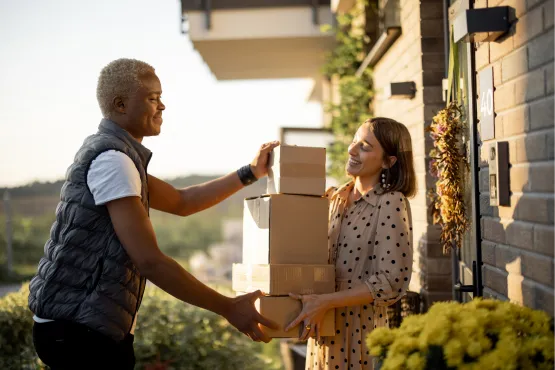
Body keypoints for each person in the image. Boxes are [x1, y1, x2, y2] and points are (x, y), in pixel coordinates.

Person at [27, 58, 279, 370]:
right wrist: (228, 307)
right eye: (152, 98)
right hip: (78, 330)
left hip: (80, 325)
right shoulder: (113, 160)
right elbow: (150, 261)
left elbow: (183, 202)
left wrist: (250, 172)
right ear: (120, 104)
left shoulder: (118, 155)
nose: (162, 107)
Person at [286, 117, 416, 370]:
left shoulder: (390, 202)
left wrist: (327, 302)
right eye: (354, 142)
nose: (352, 150)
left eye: (365, 147)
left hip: (359, 332)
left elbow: (391, 282)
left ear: (389, 161)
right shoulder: (334, 199)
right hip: (322, 326)